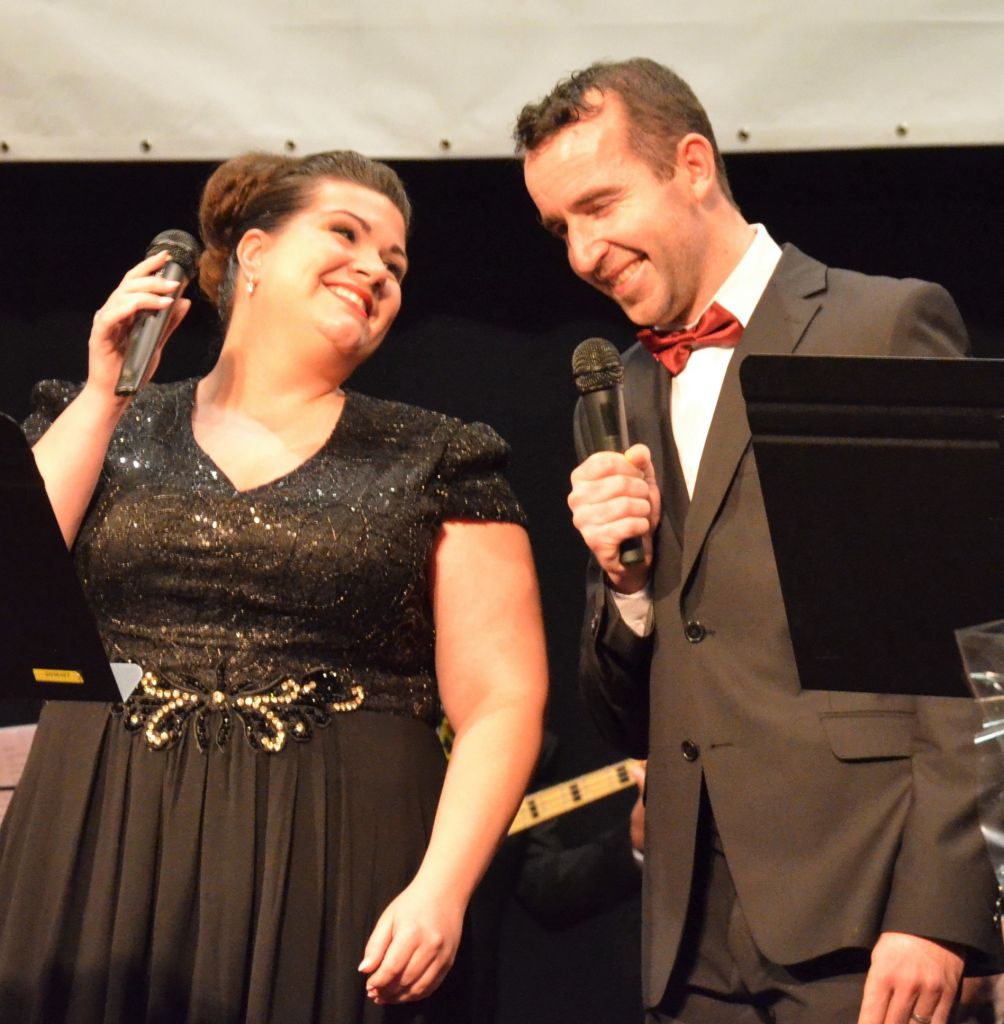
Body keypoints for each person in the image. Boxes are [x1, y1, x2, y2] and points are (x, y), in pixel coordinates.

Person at [0, 150, 547, 1022]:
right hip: (105, 829)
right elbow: (16, 578)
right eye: (345, 234)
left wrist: (442, 888)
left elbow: (501, 700)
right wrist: (107, 392)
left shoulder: (439, 456)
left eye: (395, 263)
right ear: (253, 254)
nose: (376, 269)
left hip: (335, 849)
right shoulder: (104, 418)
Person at [513, 58, 1002, 1024]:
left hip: (866, 913)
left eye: (600, 205)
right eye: (561, 227)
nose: (583, 252)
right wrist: (624, 588)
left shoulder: (880, 326)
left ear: (693, 166)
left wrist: (941, 911)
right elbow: (629, 719)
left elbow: (978, 643)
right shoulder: (618, 393)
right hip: (690, 938)